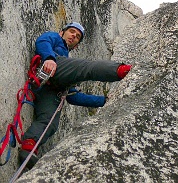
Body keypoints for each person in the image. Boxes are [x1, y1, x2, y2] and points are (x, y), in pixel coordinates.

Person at [19, 22, 132, 169]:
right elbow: (43, 40)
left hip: (51, 90)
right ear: (62, 32)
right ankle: (123, 71)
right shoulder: (55, 38)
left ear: (77, 45)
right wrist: (49, 59)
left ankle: (29, 146)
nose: (74, 36)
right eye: (72, 32)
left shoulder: (67, 57)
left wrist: (104, 101)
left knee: (50, 123)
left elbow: (73, 96)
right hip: (50, 71)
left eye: (77, 36)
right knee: (86, 68)